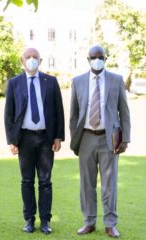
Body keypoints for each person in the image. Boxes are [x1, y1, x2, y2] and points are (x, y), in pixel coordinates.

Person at [70, 45, 130, 238]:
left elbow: (124, 112)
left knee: (109, 184)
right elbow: (74, 114)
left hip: (109, 139)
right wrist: (75, 140)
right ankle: (89, 222)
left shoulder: (116, 80)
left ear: (105, 59)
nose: (97, 60)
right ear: (88, 59)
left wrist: (125, 139)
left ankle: (110, 223)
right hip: (86, 138)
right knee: (86, 183)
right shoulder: (77, 82)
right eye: (93, 57)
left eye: (100, 57)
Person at [4, 48, 65, 234]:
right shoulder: (14, 83)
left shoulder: (51, 82)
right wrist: (12, 141)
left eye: (35, 57)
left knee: (46, 181)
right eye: (28, 57)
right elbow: (9, 114)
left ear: (40, 60)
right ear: (22, 61)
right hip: (25, 138)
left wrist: (58, 137)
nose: (31, 60)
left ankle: (45, 221)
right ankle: (29, 220)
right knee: (27, 181)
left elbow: (58, 111)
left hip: (46, 138)